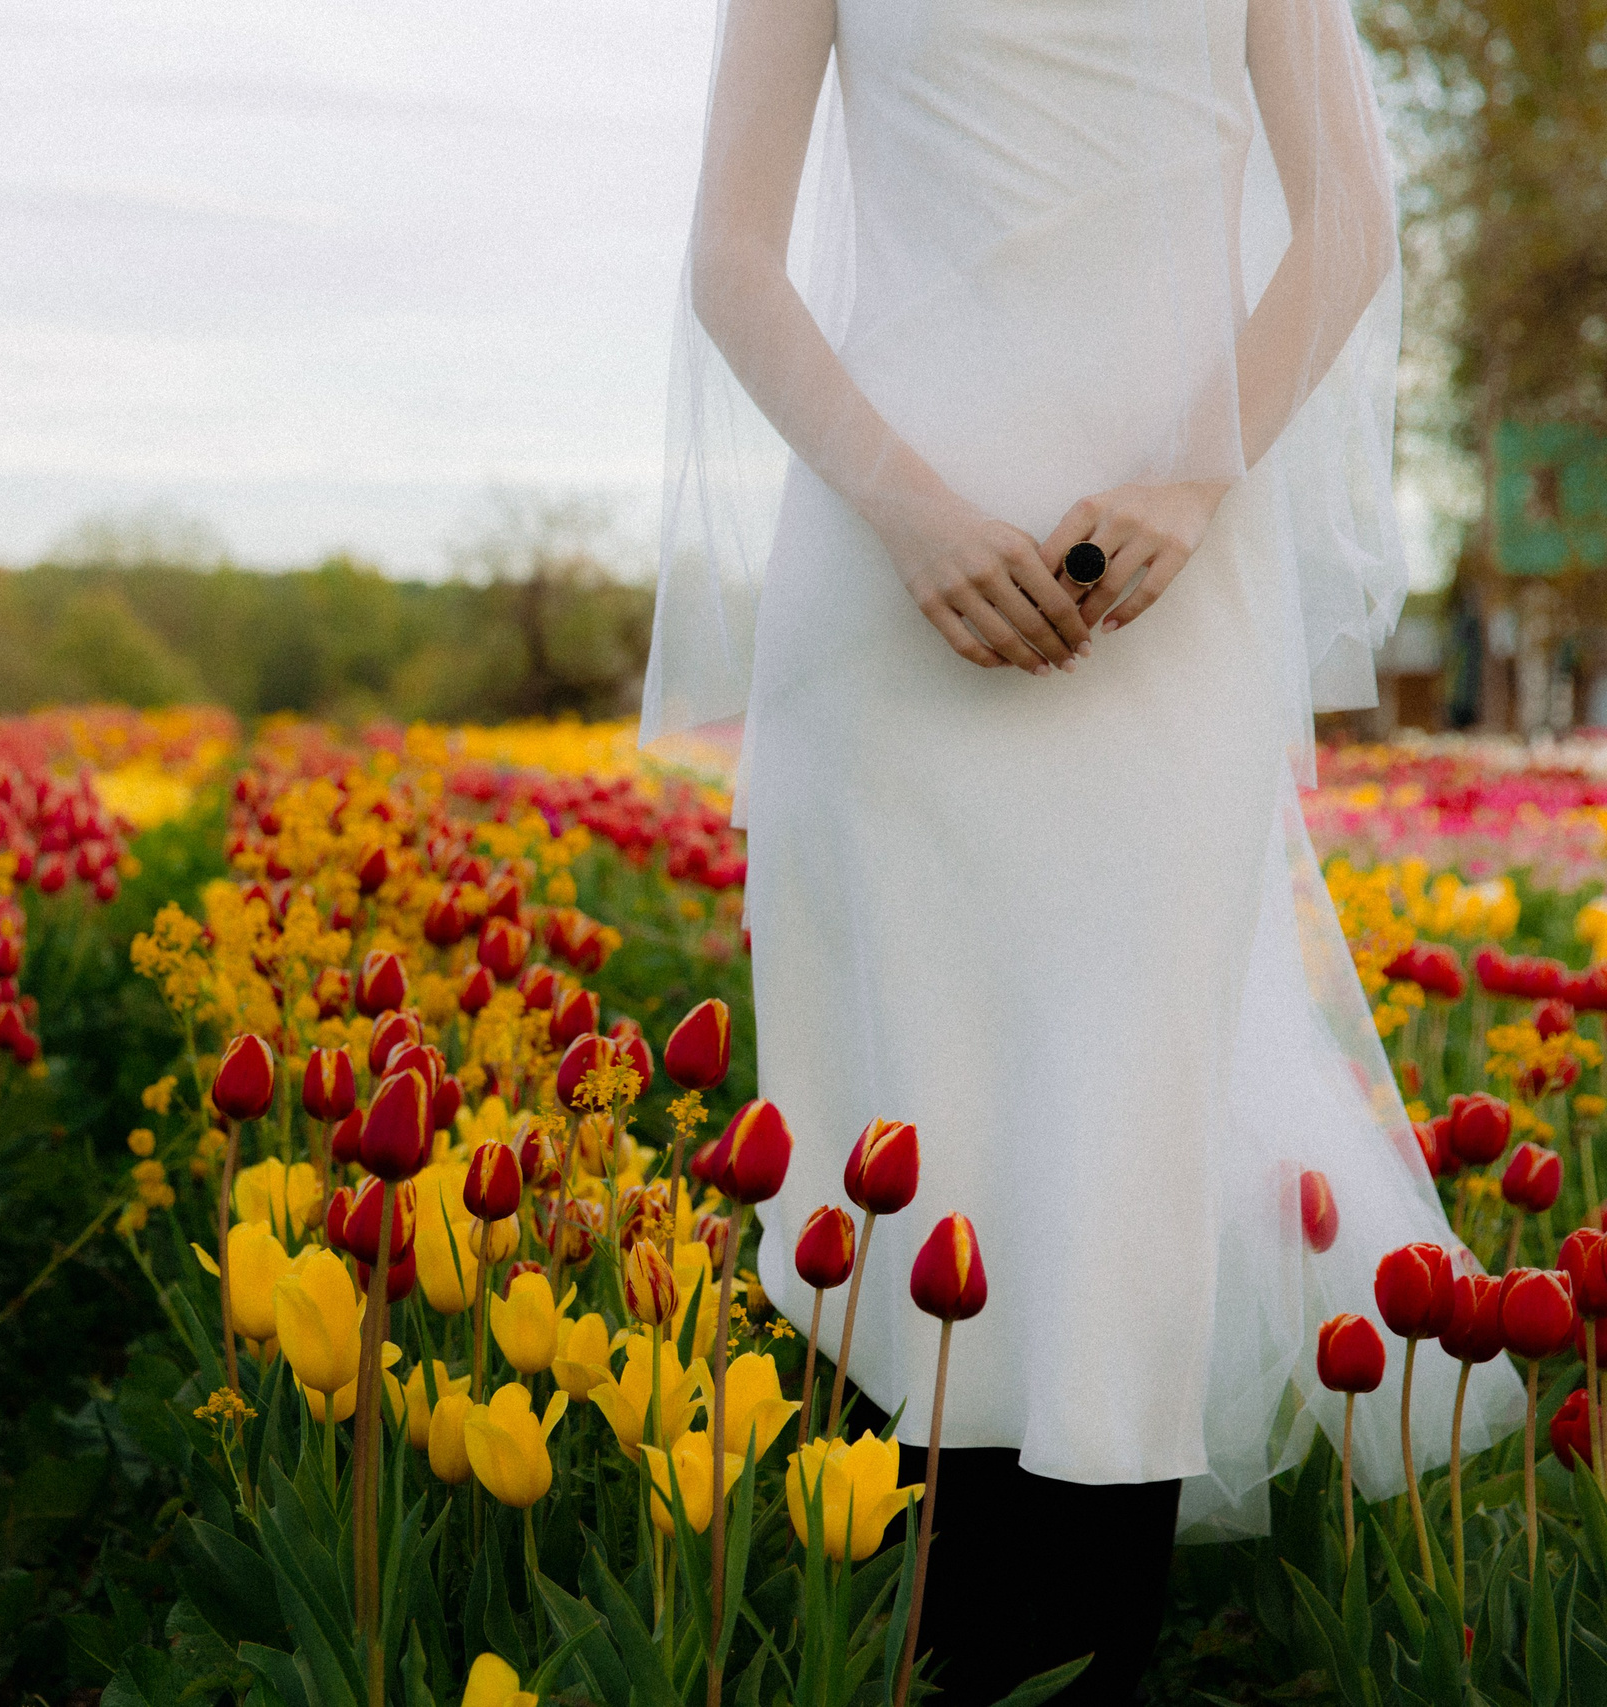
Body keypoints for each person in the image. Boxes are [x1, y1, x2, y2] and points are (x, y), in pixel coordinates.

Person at [641, 1, 1525, 1700]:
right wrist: (909, 514)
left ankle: (1079, 1663)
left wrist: (1193, 478)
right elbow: (733, 262)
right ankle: (915, 1653)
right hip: (886, 578)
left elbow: (1350, 215)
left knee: (1126, 1134)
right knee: (911, 1122)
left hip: (1171, 577)